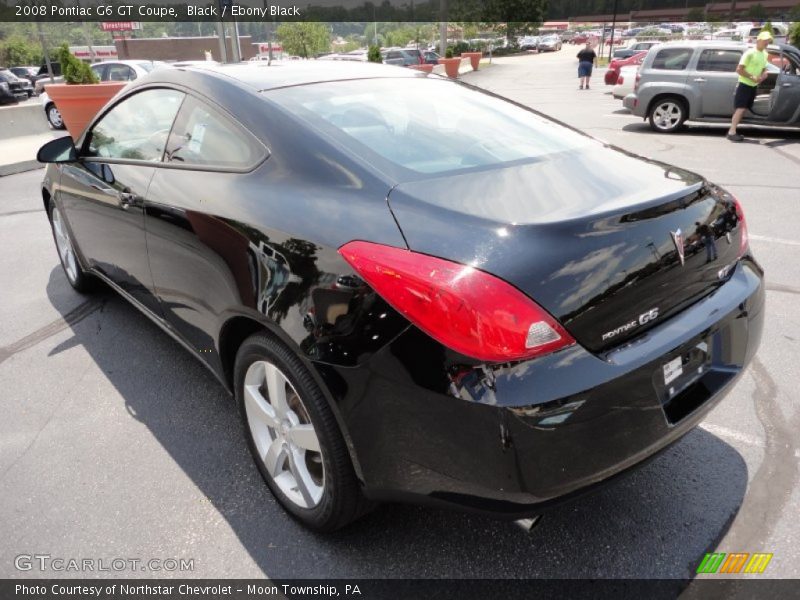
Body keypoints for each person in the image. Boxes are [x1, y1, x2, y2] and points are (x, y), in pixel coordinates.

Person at [727, 30, 773, 142]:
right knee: (741, 108)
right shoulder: (750, 53)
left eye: (768, 40)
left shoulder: (765, 54)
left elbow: (763, 68)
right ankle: (731, 132)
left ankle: (733, 131)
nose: (767, 42)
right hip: (744, 84)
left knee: (744, 109)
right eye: (765, 40)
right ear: (758, 40)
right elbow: (739, 69)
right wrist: (752, 77)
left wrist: (764, 74)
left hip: (753, 86)